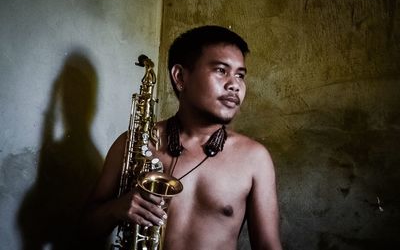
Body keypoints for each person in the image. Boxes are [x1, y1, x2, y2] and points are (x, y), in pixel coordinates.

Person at [82, 25, 282, 250]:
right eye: (221, 70)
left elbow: (268, 246)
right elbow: (83, 231)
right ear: (180, 77)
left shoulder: (255, 158)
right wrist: (116, 209)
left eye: (240, 75)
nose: (235, 85)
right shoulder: (133, 142)